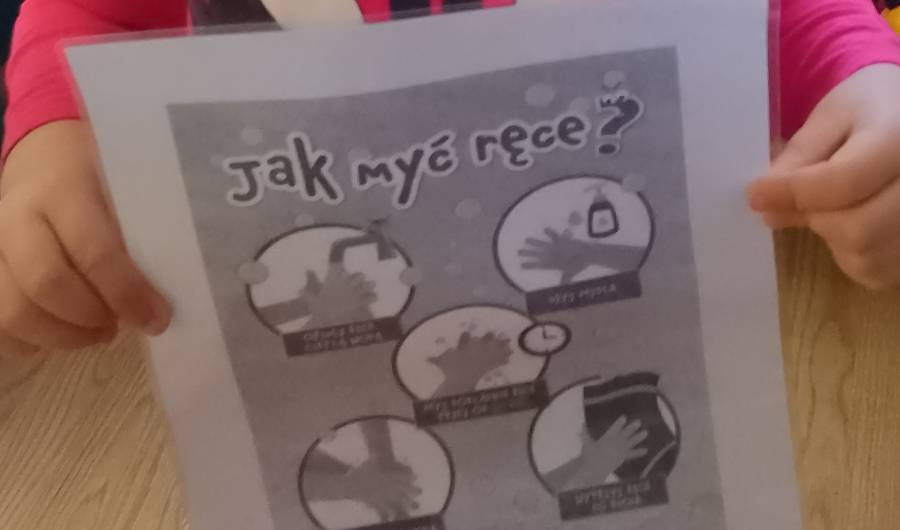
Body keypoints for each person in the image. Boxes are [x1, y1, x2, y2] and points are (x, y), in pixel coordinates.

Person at [0, 0, 898, 360]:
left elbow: (798, 16)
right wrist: (47, 138)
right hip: (320, 374)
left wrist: (868, 86)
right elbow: (83, 16)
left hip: (643, 343)